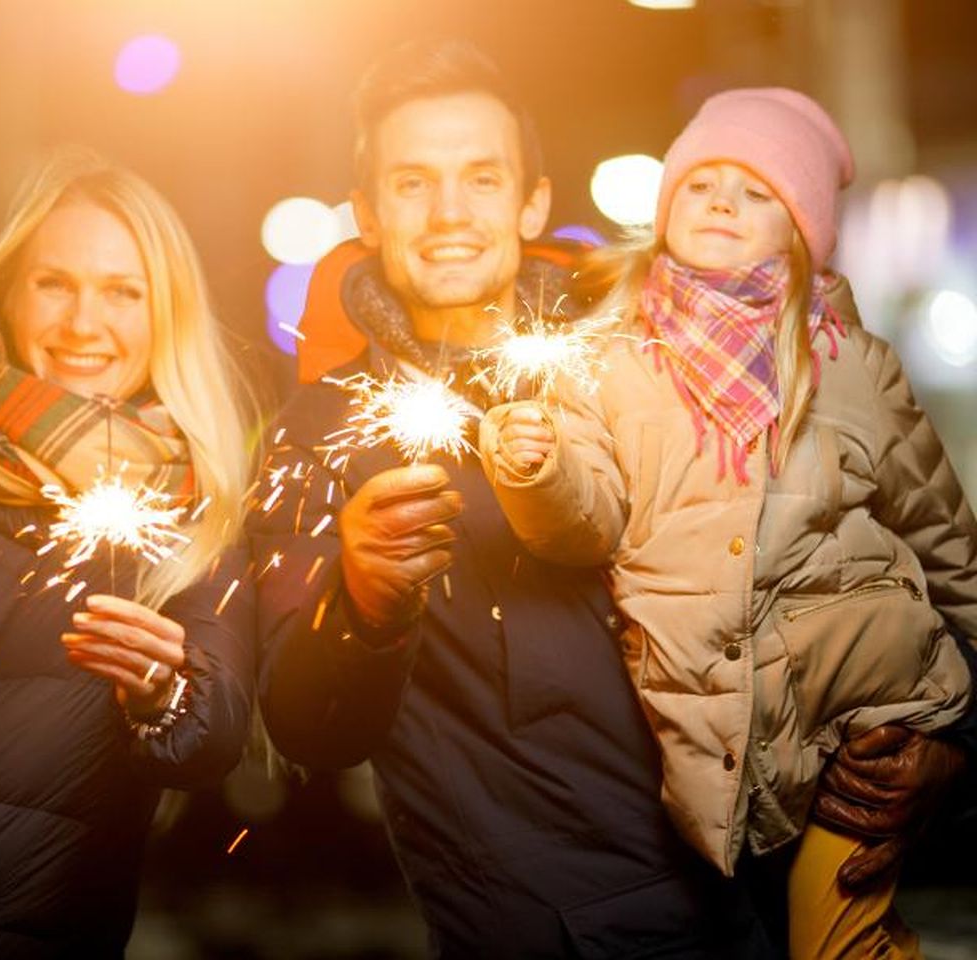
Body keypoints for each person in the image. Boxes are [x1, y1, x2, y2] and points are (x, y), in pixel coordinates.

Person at [250, 40, 780, 957]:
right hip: (544, 928)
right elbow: (308, 727)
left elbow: (814, 557)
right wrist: (363, 608)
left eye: (482, 178)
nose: (449, 212)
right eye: (413, 183)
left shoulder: (640, 364)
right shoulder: (317, 432)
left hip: (763, 891)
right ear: (368, 213)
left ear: (532, 200)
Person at [479, 87, 977, 958]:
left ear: (800, 230)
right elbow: (586, 526)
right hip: (723, 731)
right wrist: (540, 473)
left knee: (837, 938)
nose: (721, 203)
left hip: (874, 711)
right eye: (702, 183)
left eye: (756, 193)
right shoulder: (608, 360)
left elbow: (940, 534)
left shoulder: (852, 365)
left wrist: (973, 717)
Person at [0, 146, 258, 957]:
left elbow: (215, 730)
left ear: (165, 315)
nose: (82, 324)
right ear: (6, 293)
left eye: (122, 293)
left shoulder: (190, 521)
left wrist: (162, 692)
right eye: (54, 283)